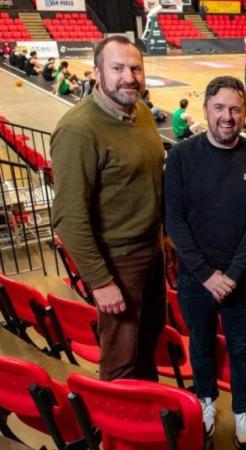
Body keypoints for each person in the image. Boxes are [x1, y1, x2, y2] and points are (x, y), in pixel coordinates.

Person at [50, 36, 166, 382]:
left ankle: (147, 419)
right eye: (118, 68)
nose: (128, 76)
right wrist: (101, 281)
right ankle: (118, 431)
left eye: (135, 68)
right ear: (98, 72)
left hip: (152, 251)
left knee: (148, 342)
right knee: (121, 358)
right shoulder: (78, 130)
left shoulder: (140, 112)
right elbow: (68, 218)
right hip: (118, 262)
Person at [165, 76, 246, 449]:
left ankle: (243, 409)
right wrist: (208, 274)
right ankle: (206, 402)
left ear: (245, 113)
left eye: (235, 109)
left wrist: (234, 272)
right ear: (207, 110)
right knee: (202, 345)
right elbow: (174, 220)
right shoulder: (180, 156)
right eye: (220, 108)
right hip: (196, 279)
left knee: (242, 348)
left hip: (238, 279)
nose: (228, 116)